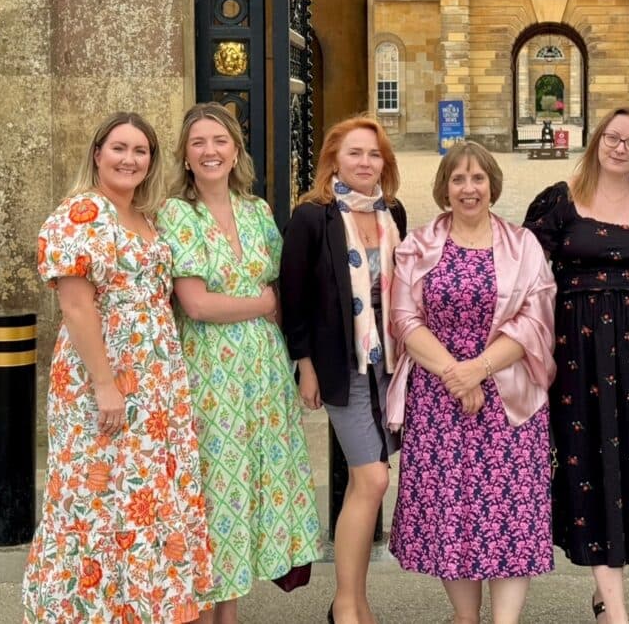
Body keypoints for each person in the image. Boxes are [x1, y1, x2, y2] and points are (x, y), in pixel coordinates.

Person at [24, 112, 211, 623]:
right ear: (97, 153)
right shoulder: (81, 213)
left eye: (141, 151)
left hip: (154, 383)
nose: (130, 159)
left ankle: (141, 607)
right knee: (96, 496)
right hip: (101, 380)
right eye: (119, 149)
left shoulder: (144, 217)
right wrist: (105, 386)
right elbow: (78, 306)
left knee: (144, 497)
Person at [157, 102, 324, 623]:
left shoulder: (256, 211)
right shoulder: (176, 214)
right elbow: (197, 304)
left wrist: (295, 343)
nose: (210, 151)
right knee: (213, 492)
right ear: (185, 156)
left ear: (235, 151)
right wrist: (261, 304)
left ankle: (227, 613)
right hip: (210, 373)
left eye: (219, 141)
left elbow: (282, 285)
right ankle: (207, 614)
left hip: (264, 372)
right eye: (199, 143)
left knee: (245, 491)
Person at [523, 107, 629, 624]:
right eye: (613, 138)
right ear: (596, 141)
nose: (621, 148)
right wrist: (534, 350)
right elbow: (526, 280)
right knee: (586, 459)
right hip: (576, 348)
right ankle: (615, 607)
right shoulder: (559, 200)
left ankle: (608, 586)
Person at [386, 142, 556, 624]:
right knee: (452, 512)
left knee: (508, 511)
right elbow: (404, 317)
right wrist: (454, 375)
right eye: (458, 179)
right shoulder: (418, 245)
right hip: (440, 402)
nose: (468, 188)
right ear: (444, 187)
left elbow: (535, 318)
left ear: (492, 185)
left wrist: (478, 369)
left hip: (509, 399)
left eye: (478, 179)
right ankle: (466, 617)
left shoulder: (523, 245)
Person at [279, 116, 407, 624]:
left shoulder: (393, 212)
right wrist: (305, 364)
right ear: (334, 160)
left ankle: (352, 602)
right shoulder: (313, 217)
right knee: (373, 479)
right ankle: (348, 604)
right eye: (354, 153)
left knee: (366, 483)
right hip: (343, 366)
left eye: (374, 155)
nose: (365, 163)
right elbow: (295, 298)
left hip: (392, 366)